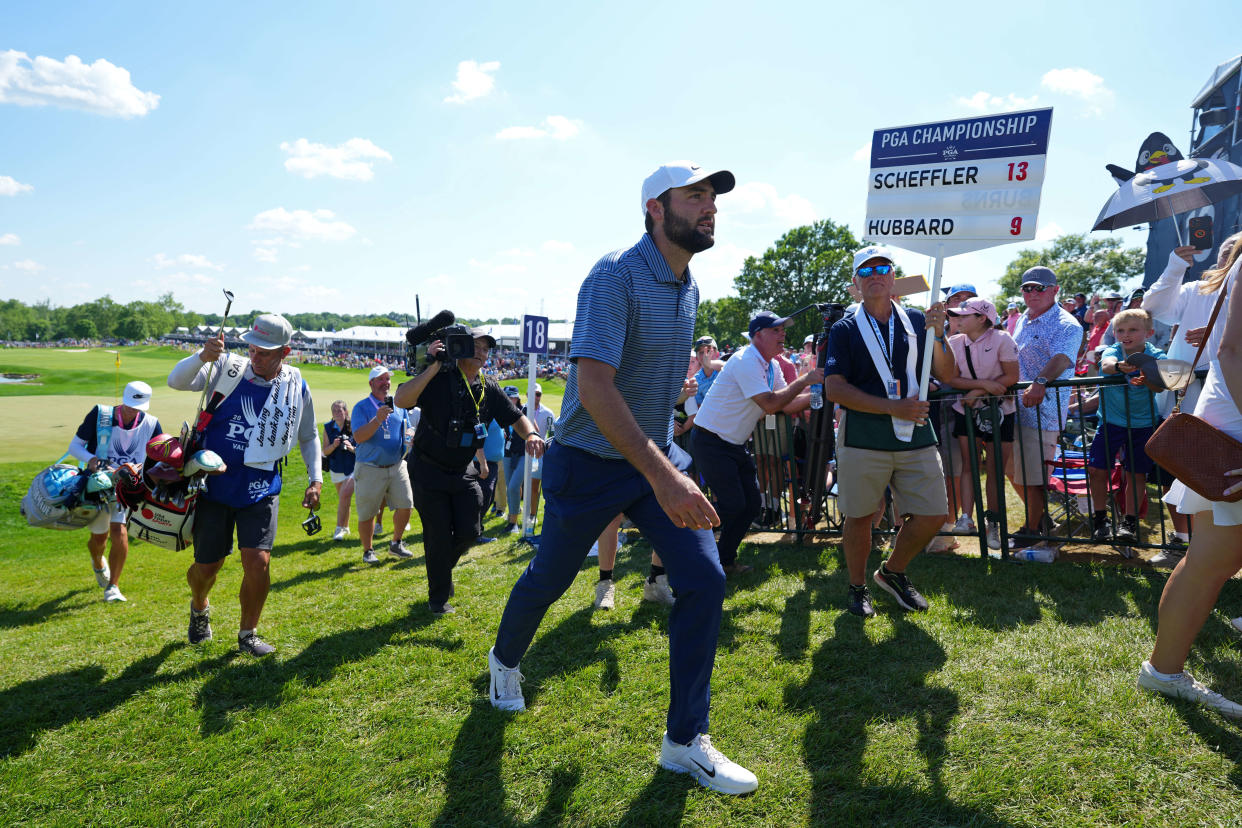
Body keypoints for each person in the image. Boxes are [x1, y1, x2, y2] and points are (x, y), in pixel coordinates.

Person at [488, 160, 758, 795]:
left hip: (648, 461)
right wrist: (667, 476)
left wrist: (674, 433)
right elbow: (594, 386)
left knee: (705, 579)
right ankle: (503, 663)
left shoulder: (688, 284)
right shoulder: (613, 275)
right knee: (552, 576)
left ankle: (683, 741)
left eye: (713, 197)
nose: (710, 206)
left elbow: (648, 392)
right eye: (694, 196)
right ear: (655, 210)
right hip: (586, 463)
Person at [167, 313, 322, 656]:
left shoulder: (296, 385)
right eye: (253, 348)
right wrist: (201, 357)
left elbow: (308, 434)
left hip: (261, 486)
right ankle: (199, 606)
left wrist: (316, 479)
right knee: (207, 566)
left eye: (265, 352)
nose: (256, 356)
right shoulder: (227, 367)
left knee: (258, 563)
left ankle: (247, 633)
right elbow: (176, 381)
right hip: (213, 486)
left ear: (286, 352)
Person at [1138, 241, 1242, 718]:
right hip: (1233, 425)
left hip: (1224, 412)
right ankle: (1164, 671)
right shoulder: (1217, 277)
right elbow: (1232, 350)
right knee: (1210, 560)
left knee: (1210, 559)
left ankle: (1164, 671)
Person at [824, 245, 955, 617]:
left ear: (894, 276)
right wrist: (892, 406)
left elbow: (946, 373)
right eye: (865, 272)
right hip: (864, 433)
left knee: (933, 514)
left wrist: (939, 334)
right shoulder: (845, 328)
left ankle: (892, 572)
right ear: (855, 283)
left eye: (882, 267)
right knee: (861, 517)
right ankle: (857, 586)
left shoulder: (916, 320)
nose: (875, 275)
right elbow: (834, 388)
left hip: (914, 429)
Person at [395, 328, 543, 614]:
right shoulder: (437, 377)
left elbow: (516, 418)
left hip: (462, 469)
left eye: (486, 348)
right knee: (437, 534)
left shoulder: (489, 386)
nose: (481, 352)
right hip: (427, 469)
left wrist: (533, 436)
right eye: (475, 345)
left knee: (470, 531)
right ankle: (438, 600)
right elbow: (401, 400)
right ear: (459, 347)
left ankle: (441, 571)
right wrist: (434, 365)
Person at [693, 310, 822, 573]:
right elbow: (771, 403)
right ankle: (686, 527)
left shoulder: (772, 365)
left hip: (733, 444)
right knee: (734, 505)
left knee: (751, 505)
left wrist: (817, 395)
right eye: (776, 330)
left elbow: (785, 404)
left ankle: (724, 561)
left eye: (783, 329)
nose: (783, 333)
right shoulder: (745, 360)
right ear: (757, 335)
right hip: (711, 441)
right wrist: (806, 380)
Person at [1142, 237, 1240, 565]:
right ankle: (1185, 545)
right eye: (1227, 252)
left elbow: (1229, 350)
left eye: (1235, 253)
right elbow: (1153, 307)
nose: (1229, 258)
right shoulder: (1197, 289)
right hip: (1192, 394)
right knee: (1188, 470)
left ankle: (1201, 556)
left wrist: (1214, 335)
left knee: (1221, 476)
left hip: (1227, 398)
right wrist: (1174, 265)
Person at [66, 380, 163, 603]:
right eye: (129, 406)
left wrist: (139, 470)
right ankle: (98, 562)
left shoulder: (151, 423)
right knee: (99, 538)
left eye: (137, 408)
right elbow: (75, 446)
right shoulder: (101, 414)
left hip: (126, 487)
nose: (131, 411)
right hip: (97, 484)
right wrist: (91, 459)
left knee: (119, 530)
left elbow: (156, 458)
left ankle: (113, 587)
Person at [1010, 266, 1083, 549]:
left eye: (1039, 288)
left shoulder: (1067, 323)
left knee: (1033, 476)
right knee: (1012, 469)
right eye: (1027, 288)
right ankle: (1040, 520)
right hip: (1017, 407)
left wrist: (1040, 381)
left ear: (1055, 290)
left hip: (1044, 412)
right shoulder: (1022, 320)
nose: (1032, 293)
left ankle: (1033, 530)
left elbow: (1063, 358)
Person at [943, 299, 1018, 550]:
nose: (958, 319)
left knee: (996, 469)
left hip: (1002, 412)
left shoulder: (1002, 339)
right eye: (957, 315)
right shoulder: (954, 342)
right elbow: (950, 378)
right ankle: (966, 518)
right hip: (965, 410)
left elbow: (1012, 376)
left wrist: (976, 393)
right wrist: (983, 387)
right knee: (969, 465)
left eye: (965, 315)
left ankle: (993, 524)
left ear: (982, 318)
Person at [1087, 309, 1166, 545]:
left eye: (1133, 329)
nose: (1126, 334)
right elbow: (1107, 364)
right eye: (1121, 330)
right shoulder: (1114, 350)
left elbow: (1160, 388)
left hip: (1143, 424)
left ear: (1148, 333)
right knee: (1096, 470)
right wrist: (1122, 367)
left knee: (1136, 474)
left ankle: (1129, 523)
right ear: (1114, 333)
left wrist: (1148, 379)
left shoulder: (1157, 355)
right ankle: (1100, 519)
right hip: (1110, 422)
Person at [351, 366, 415, 564]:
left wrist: (410, 436)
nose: (386, 383)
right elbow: (359, 437)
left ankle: (396, 543)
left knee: (406, 505)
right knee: (368, 513)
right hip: (370, 468)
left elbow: (407, 427)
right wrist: (377, 420)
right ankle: (368, 550)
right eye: (381, 379)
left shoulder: (398, 405)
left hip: (397, 465)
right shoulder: (361, 407)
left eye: (388, 379)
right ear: (371, 384)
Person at [524, 383, 557, 528]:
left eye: (538, 394)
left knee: (535, 484)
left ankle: (532, 514)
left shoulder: (548, 413)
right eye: (533, 394)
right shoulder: (521, 409)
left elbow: (552, 434)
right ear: (527, 395)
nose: (536, 397)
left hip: (539, 453)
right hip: (521, 452)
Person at [322, 400, 356, 541]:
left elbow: (361, 450)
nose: (337, 413)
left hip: (352, 468)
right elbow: (325, 451)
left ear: (346, 412)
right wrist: (334, 445)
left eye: (340, 410)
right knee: (344, 499)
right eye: (334, 411)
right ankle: (346, 527)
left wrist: (350, 447)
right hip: (336, 468)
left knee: (344, 496)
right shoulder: (328, 427)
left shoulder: (353, 426)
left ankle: (338, 529)